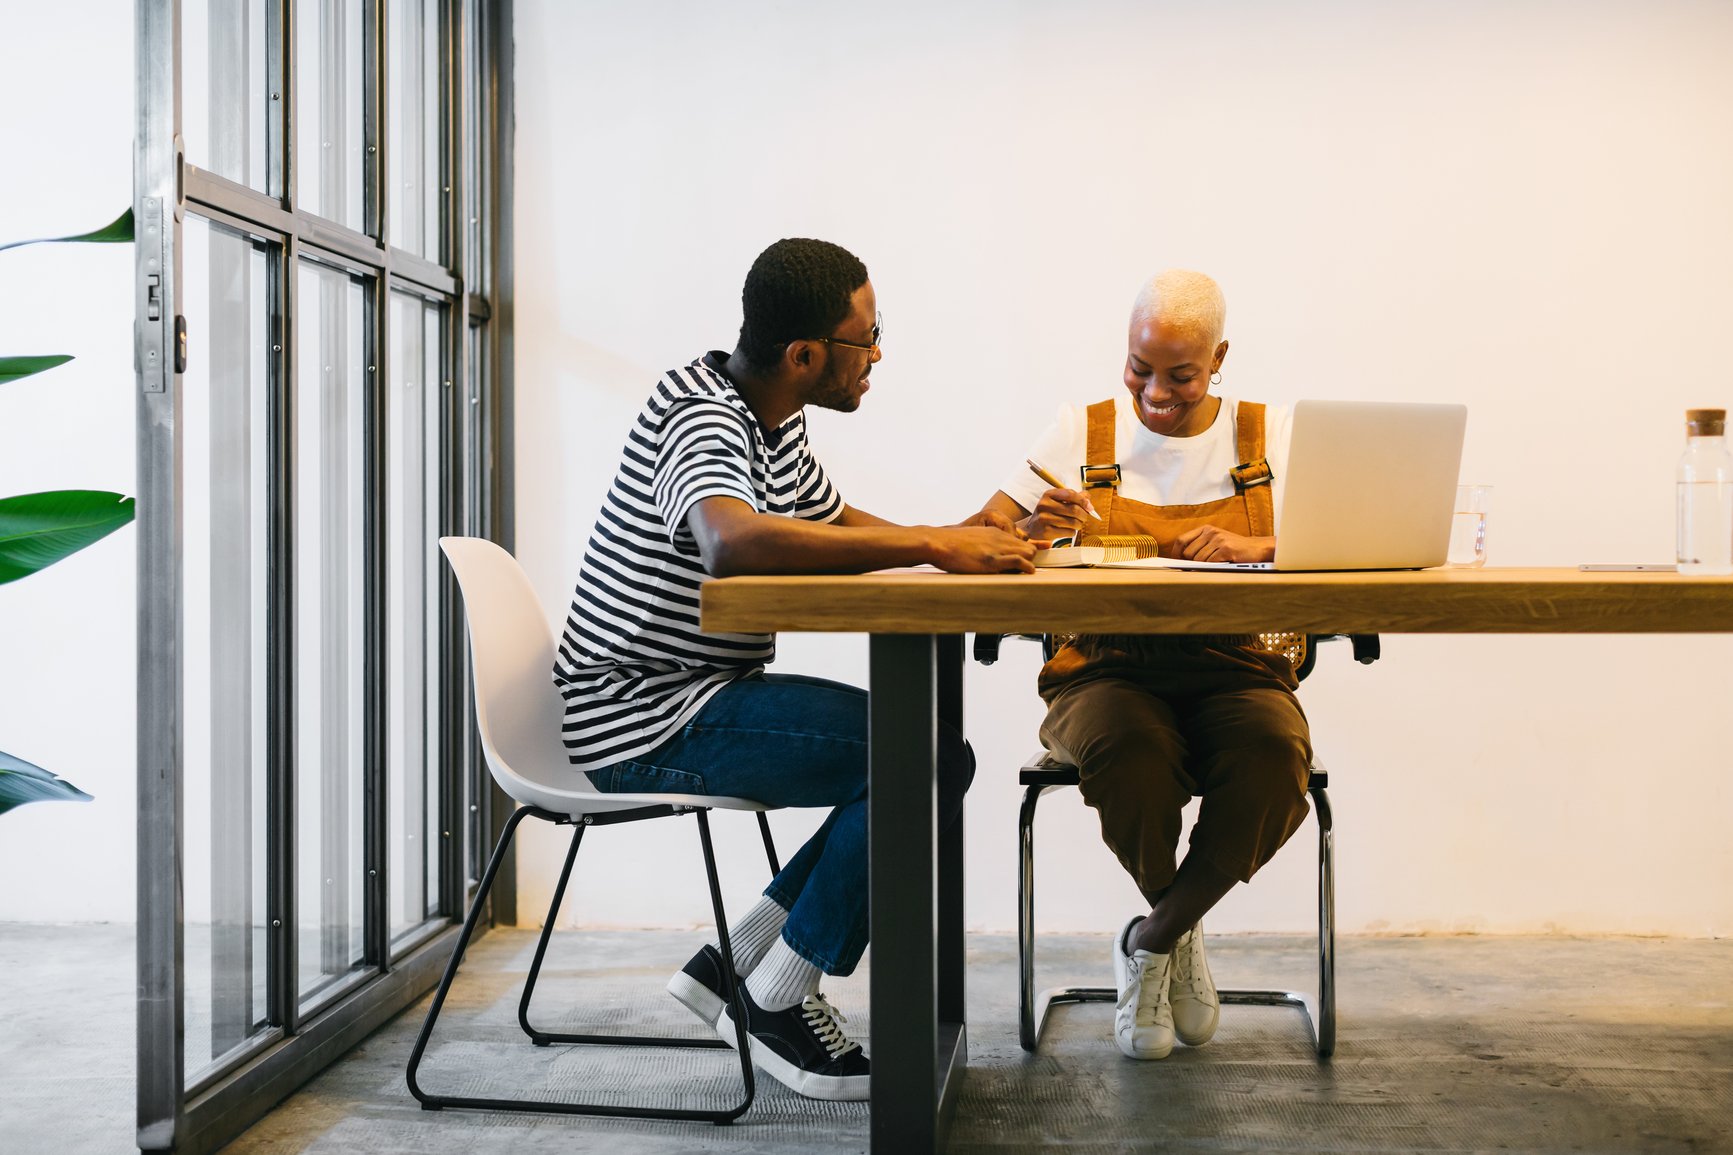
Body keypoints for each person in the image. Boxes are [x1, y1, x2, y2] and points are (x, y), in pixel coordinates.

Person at [554, 238, 1036, 1101]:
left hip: (694, 696)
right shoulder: (704, 415)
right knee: (920, 758)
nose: (879, 354)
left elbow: (836, 525)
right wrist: (933, 541)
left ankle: (732, 965)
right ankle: (774, 998)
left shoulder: (770, 417)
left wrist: (973, 531)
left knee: (927, 754)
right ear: (806, 354)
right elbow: (730, 540)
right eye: (869, 337)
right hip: (643, 716)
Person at [976, 269, 1311, 1061]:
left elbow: (1350, 540)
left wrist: (1262, 547)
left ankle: (1152, 935)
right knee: (1128, 752)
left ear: (1219, 356)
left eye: (1180, 373)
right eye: (1139, 366)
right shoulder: (1079, 431)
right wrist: (1030, 524)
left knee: (1273, 756)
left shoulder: (1273, 436)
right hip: (1102, 672)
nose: (1154, 391)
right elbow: (985, 532)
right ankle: (1178, 928)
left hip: (1240, 671)